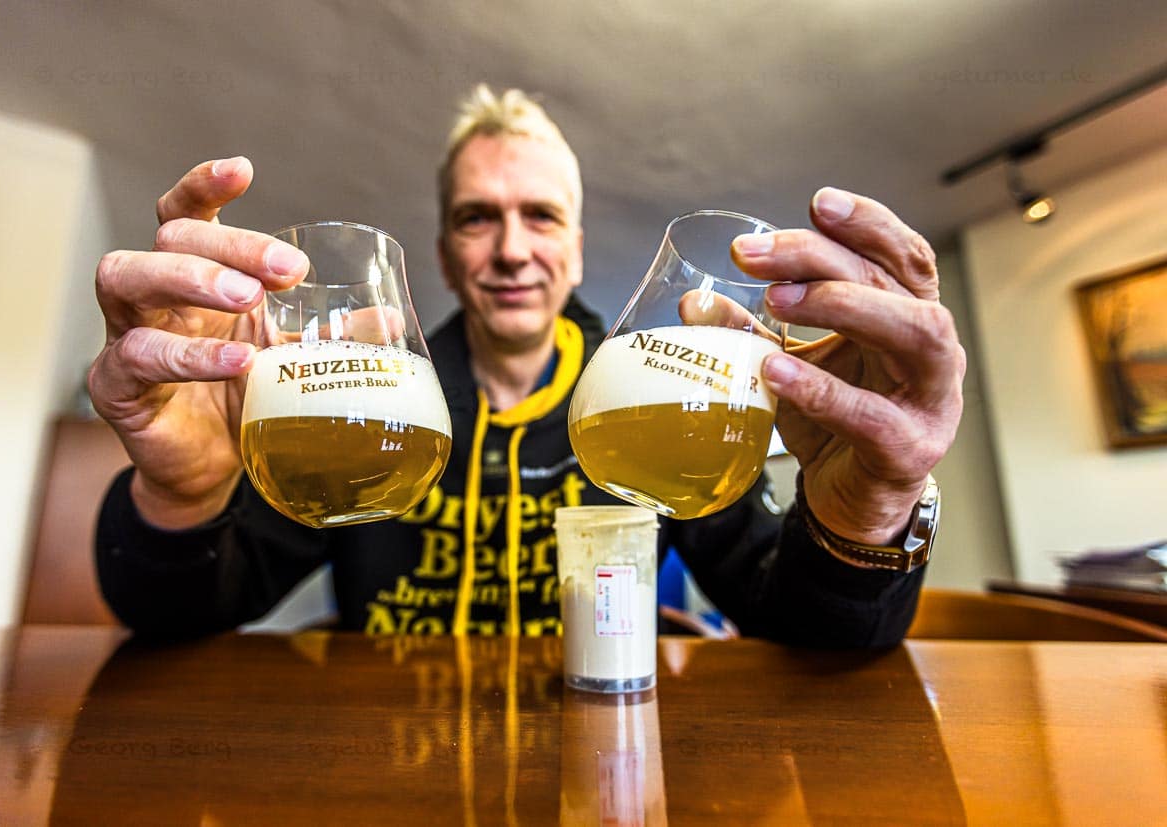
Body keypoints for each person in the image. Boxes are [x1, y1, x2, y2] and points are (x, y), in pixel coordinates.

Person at [89, 85, 964, 644]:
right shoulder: (366, 397)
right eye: (477, 218)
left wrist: (866, 511)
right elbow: (176, 619)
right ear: (442, 250)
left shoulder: (661, 396)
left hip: (601, 762)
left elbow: (807, 633)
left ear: (577, 251)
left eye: (541, 216)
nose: (511, 249)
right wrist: (184, 496)